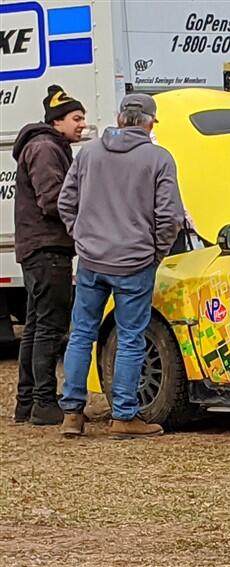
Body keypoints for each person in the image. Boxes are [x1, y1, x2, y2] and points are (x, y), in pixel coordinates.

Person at [57, 93, 184, 438]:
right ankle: (124, 416)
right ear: (149, 122)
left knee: (81, 333)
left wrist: (82, 238)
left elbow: (66, 203)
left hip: (91, 260)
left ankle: (72, 413)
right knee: (130, 338)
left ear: (119, 117)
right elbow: (170, 216)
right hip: (135, 262)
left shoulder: (89, 153)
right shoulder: (158, 158)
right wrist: (156, 252)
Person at [11, 85, 87, 425]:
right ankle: (44, 402)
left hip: (37, 247)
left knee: (35, 326)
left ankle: (27, 401)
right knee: (49, 328)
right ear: (57, 121)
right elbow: (53, 201)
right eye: (76, 117)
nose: (82, 124)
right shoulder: (45, 148)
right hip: (47, 248)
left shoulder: (46, 145)